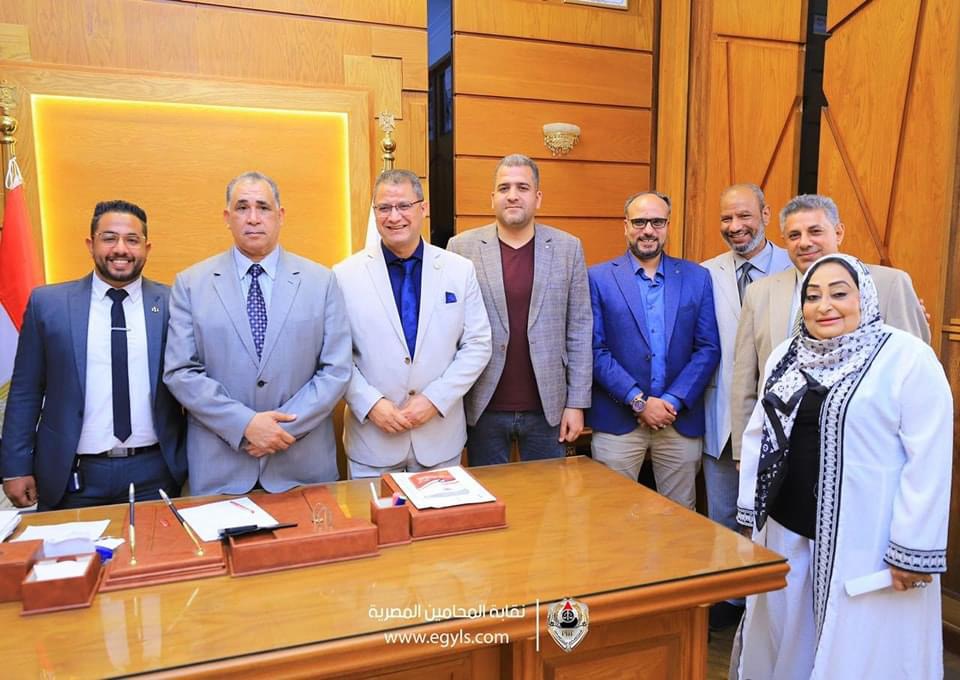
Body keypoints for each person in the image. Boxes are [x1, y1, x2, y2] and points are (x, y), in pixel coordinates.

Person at [734, 253, 951, 680]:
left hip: (866, 540)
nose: (824, 306)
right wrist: (748, 515)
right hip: (787, 529)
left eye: (839, 294)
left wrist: (913, 550)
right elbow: (761, 434)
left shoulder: (907, 358)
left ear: (864, 297)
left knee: (858, 651)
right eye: (812, 296)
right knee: (788, 638)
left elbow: (929, 459)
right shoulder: (786, 354)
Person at [163, 171, 351, 495]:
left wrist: (276, 430)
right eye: (242, 208)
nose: (253, 218)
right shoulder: (191, 284)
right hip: (221, 469)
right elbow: (181, 372)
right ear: (227, 217)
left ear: (280, 216)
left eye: (263, 207)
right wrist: (245, 425)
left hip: (301, 466)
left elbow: (336, 370)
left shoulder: (321, 282)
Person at [1, 200, 186, 510]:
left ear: (147, 248)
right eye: (109, 238)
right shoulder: (48, 305)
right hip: (72, 474)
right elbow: (25, 391)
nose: (121, 249)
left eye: (132, 240)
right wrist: (15, 466)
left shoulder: (173, 304)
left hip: (155, 472)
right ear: (91, 244)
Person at [730, 194, 929, 460]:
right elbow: (744, 380)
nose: (804, 242)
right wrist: (744, 453)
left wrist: (913, 458)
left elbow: (916, 379)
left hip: (862, 451)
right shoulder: (759, 293)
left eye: (815, 231)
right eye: (794, 235)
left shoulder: (889, 285)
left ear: (838, 232)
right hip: (779, 451)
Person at [333, 169, 491, 478]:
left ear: (423, 208)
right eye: (384, 208)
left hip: (439, 441)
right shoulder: (344, 275)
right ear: (374, 212)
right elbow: (334, 355)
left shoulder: (459, 270)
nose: (394, 217)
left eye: (404, 206)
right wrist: (371, 404)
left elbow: (478, 344)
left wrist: (435, 399)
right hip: (372, 442)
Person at [447, 154, 591, 465]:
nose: (512, 195)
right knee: (488, 493)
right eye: (504, 188)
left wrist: (576, 403)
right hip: (482, 406)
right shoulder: (461, 248)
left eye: (522, 187)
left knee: (546, 493)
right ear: (492, 198)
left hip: (548, 407)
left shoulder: (569, 248)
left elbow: (580, 329)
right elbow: (450, 329)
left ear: (537, 198)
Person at [587, 191, 720, 509]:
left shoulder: (697, 277)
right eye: (639, 222)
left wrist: (672, 400)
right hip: (618, 420)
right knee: (612, 517)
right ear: (625, 226)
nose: (648, 230)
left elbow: (707, 348)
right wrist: (638, 401)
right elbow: (595, 349)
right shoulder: (598, 278)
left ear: (668, 226)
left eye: (657, 222)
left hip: (678, 420)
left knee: (680, 518)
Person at [700, 184, 793, 628]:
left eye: (744, 216)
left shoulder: (799, 266)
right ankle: (731, 602)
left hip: (781, 418)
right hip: (721, 416)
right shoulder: (705, 273)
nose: (735, 226)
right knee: (721, 514)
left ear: (766, 215)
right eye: (726, 218)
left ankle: (769, 606)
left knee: (774, 516)